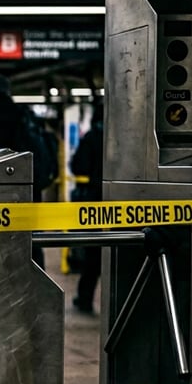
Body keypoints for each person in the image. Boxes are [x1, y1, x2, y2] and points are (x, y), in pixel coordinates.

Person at [0, 74, 58, 267]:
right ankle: (34, 285)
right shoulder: (23, 114)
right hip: (28, 192)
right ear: (7, 91)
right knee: (30, 244)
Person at [70, 101, 104, 313]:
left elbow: (78, 166)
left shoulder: (92, 137)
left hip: (96, 201)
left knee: (94, 252)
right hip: (127, 200)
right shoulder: (126, 138)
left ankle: (85, 298)